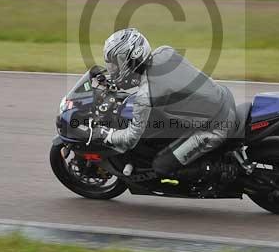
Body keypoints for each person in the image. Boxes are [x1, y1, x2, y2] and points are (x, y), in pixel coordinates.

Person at [94, 28, 236, 176]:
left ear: (131, 58)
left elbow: (131, 137)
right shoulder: (164, 52)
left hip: (216, 127)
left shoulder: (145, 96)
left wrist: (105, 134)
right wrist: (108, 81)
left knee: (161, 165)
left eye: (116, 64)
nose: (113, 69)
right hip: (223, 97)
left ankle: (213, 174)